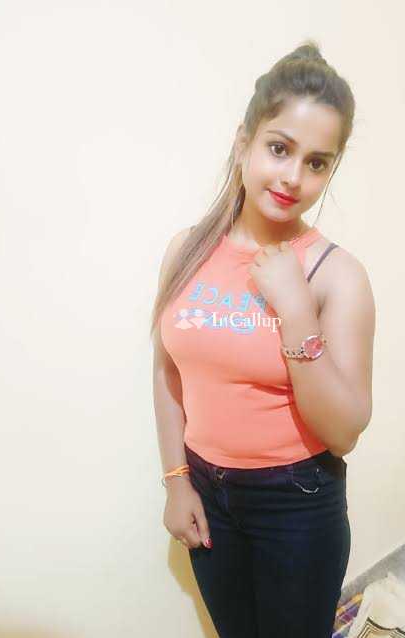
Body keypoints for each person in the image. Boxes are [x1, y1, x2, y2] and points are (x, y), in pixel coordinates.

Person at [151, 39, 375, 638]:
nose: (293, 177)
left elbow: (345, 432)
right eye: (280, 148)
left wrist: (296, 312)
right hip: (206, 488)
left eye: (317, 162)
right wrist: (176, 480)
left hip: (295, 500)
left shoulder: (336, 274)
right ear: (243, 141)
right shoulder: (186, 250)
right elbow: (167, 372)